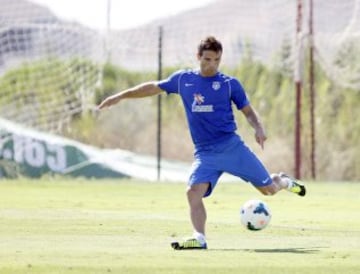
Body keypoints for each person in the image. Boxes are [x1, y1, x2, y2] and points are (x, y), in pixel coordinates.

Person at [97, 36, 306, 250]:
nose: (212, 64)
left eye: (216, 60)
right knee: (192, 191)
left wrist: (258, 128)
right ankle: (199, 238)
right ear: (198, 57)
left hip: (231, 147)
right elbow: (153, 87)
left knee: (268, 190)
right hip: (205, 153)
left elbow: (249, 112)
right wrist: (120, 96)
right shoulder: (183, 80)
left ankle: (283, 181)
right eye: (207, 59)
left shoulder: (229, 84)